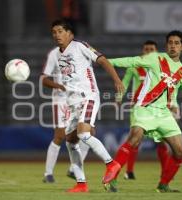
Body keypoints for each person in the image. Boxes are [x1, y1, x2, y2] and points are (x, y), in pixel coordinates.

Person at [105, 30, 182, 192]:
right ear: (166, 45)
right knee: (134, 138)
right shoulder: (156, 58)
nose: (173, 46)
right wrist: (104, 61)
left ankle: (163, 185)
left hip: (164, 113)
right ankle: (112, 177)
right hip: (145, 108)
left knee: (180, 152)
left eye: (177, 43)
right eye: (170, 43)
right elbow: (131, 61)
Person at [41, 19, 124, 193]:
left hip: (88, 97)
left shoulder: (80, 46)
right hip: (72, 104)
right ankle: (81, 183)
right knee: (70, 141)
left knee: (84, 134)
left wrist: (117, 80)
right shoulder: (56, 54)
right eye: (54, 32)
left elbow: (102, 60)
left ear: (70, 33)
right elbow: (45, 79)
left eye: (60, 31)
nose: (57, 35)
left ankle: (112, 164)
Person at [119, 40, 175, 180]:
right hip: (138, 108)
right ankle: (129, 172)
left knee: (161, 141)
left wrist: (173, 104)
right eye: (146, 49)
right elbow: (125, 82)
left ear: (156, 51)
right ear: (143, 51)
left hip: (156, 109)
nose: (149, 51)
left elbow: (170, 87)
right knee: (135, 140)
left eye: (152, 49)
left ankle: (164, 173)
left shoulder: (163, 68)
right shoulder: (135, 66)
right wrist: (119, 97)